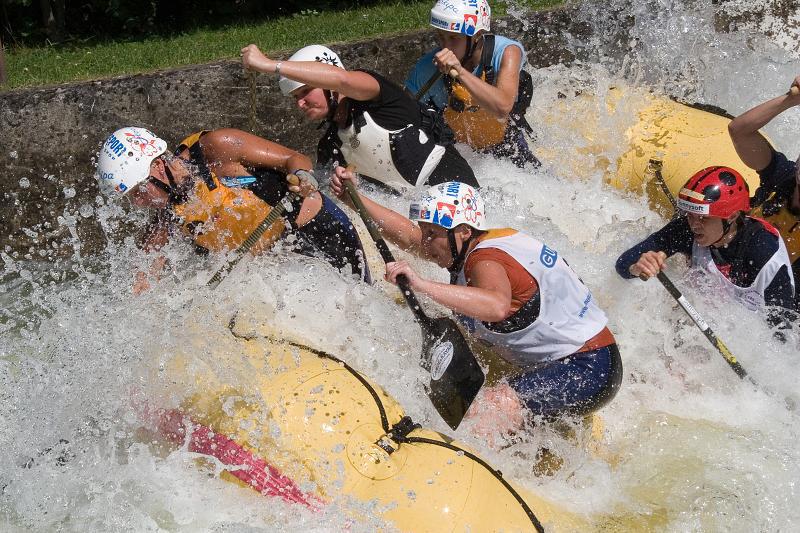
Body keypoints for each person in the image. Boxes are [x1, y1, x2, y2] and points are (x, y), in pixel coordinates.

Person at [330, 169, 622, 426]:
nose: (426, 242)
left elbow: (496, 306)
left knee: (484, 414)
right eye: (425, 232)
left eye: (433, 234)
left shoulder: (485, 259)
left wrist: (422, 284)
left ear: (463, 231)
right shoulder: (474, 242)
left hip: (587, 368)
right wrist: (353, 198)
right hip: (579, 362)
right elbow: (409, 238)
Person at [96, 126, 370, 294]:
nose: (139, 203)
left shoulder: (217, 148)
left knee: (360, 302)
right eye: (132, 197)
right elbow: (143, 279)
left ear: (157, 167)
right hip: (272, 263)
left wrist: (303, 175)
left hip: (317, 233)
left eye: (138, 192)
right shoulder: (168, 211)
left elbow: (293, 158)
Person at [240, 43, 478, 192]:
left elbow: (343, 79)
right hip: (417, 213)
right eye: (295, 98)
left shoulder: (379, 97)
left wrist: (269, 65)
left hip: (458, 190)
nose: (300, 103)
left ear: (327, 84)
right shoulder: (331, 146)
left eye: (305, 92)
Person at [615, 166, 795, 319]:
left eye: (703, 218)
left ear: (731, 216)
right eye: (690, 215)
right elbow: (623, 266)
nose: (694, 225)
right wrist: (638, 267)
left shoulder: (763, 252)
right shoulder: (686, 229)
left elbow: (782, 336)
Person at [405, 0, 538, 167]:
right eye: (440, 36)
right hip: (458, 151)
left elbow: (502, 108)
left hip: (506, 143)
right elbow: (402, 116)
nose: (445, 47)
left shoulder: (508, 52)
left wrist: (460, 72)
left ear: (477, 34)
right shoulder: (426, 68)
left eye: (453, 38)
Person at [729, 77, 800, 311]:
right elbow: (739, 130)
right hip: (731, 270)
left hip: (777, 305)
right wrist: (791, 100)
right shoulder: (782, 176)